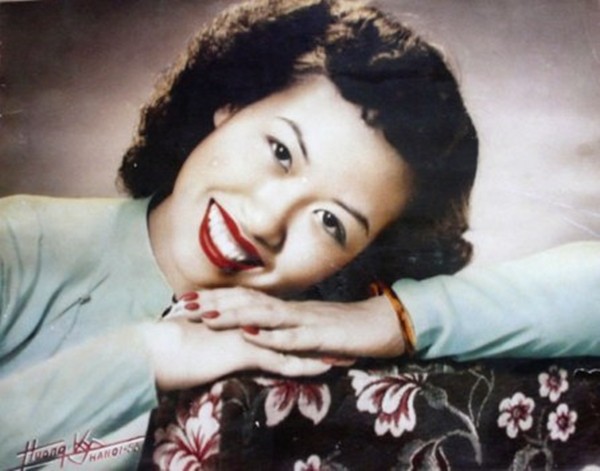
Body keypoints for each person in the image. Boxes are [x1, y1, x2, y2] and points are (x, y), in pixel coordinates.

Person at [1, 0, 598, 469]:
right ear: (232, 102)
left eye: (332, 222)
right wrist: (150, 357)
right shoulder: (22, 243)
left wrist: (387, 320)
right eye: (281, 152)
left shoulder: (312, 332)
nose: (266, 222)